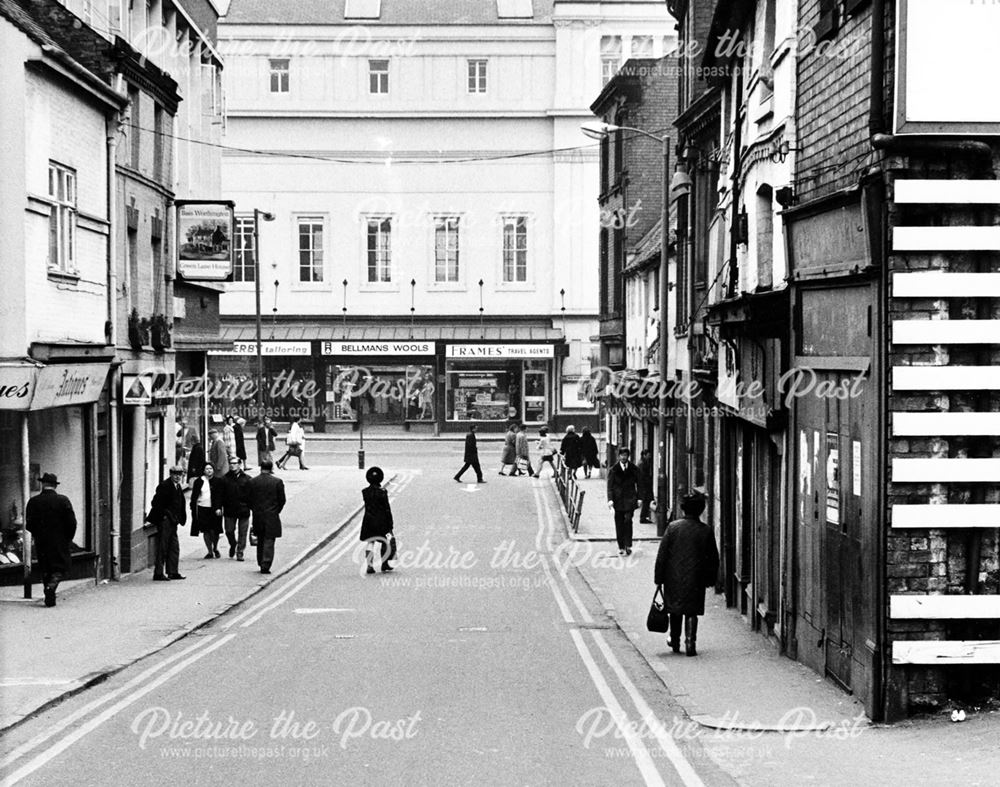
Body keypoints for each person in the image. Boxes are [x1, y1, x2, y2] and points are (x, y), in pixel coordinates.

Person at [654, 492, 720, 656]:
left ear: (683, 509)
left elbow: (662, 556)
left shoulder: (673, 528)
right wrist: (710, 579)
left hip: (673, 577)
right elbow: (713, 558)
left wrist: (658, 577)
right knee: (692, 610)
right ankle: (690, 642)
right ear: (700, 510)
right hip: (696, 578)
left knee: (675, 609)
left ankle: (675, 641)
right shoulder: (706, 531)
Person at [25, 473, 77, 607]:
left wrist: (38, 534)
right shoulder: (63, 500)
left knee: (45, 567)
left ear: (43, 484)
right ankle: (51, 587)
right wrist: (68, 537)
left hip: (41, 540)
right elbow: (72, 522)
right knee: (61, 566)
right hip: (60, 540)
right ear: (55, 485)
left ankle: (49, 596)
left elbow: (29, 524)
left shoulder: (33, 501)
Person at [147, 466, 187, 581]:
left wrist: (179, 517)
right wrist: (165, 515)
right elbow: (155, 502)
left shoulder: (177, 486)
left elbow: (180, 503)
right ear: (170, 474)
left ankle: (173, 572)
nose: (178, 476)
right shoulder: (164, 486)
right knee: (162, 546)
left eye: (180, 474)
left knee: (174, 547)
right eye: (175, 474)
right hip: (165, 521)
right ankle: (158, 573)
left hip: (173, 521)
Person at [247, 459, 285, 574]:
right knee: (269, 541)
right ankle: (266, 564)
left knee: (260, 539)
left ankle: (260, 561)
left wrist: (254, 510)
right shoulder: (277, 482)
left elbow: (248, 499)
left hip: (258, 515)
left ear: (261, 468)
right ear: (271, 468)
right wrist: (276, 511)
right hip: (272, 515)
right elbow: (282, 500)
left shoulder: (253, 481)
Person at [359, 466, 394, 574]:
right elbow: (386, 508)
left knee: (371, 542)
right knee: (387, 541)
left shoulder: (365, 492)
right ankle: (385, 563)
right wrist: (390, 522)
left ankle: (369, 565)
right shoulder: (382, 492)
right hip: (382, 521)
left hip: (369, 520)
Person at [606, 447, 639, 557]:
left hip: (630, 499)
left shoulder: (634, 469)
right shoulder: (613, 470)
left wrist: (639, 498)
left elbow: (640, 484)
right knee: (619, 523)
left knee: (628, 521)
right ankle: (621, 546)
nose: (624, 457)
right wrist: (610, 500)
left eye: (625, 455)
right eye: (622, 455)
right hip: (618, 500)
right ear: (619, 456)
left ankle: (628, 545)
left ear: (628, 456)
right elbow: (609, 486)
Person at [190, 463, 224, 559]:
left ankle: (215, 547)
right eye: (207, 469)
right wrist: (193, 507)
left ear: (213, 470)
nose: (209, 470)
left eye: (211, 468)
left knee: (215, 530)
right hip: (202, 508)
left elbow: (220, 496)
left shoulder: (218, 481)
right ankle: (209, 551)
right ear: (203, 470)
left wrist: (218, 507)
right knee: (206, 530)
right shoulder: (199, 481)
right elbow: (194, 496)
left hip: (214, 509)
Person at [222, 456, 252, 560]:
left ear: (239, 465)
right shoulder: (225, 479)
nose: (232, 465)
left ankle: (240, 552)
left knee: (242, 533)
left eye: (235, 463)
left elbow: (252, 495)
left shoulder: (247, 479)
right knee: (229, 531)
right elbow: (220, 495)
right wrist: (218, 507)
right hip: (229, 509)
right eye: (230, 463)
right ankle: (233, 544)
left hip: (243, 509)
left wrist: (251, 506)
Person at [638, 449, 655, 524]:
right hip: (645, 486)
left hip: (645, 485)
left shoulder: (644, 462)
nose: (650, 456)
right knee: (646, 501)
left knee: (646, 501)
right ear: (644, 455)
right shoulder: (642, 463)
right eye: (648, 454)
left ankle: (644, 517)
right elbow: (642, 476)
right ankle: (643, 517)